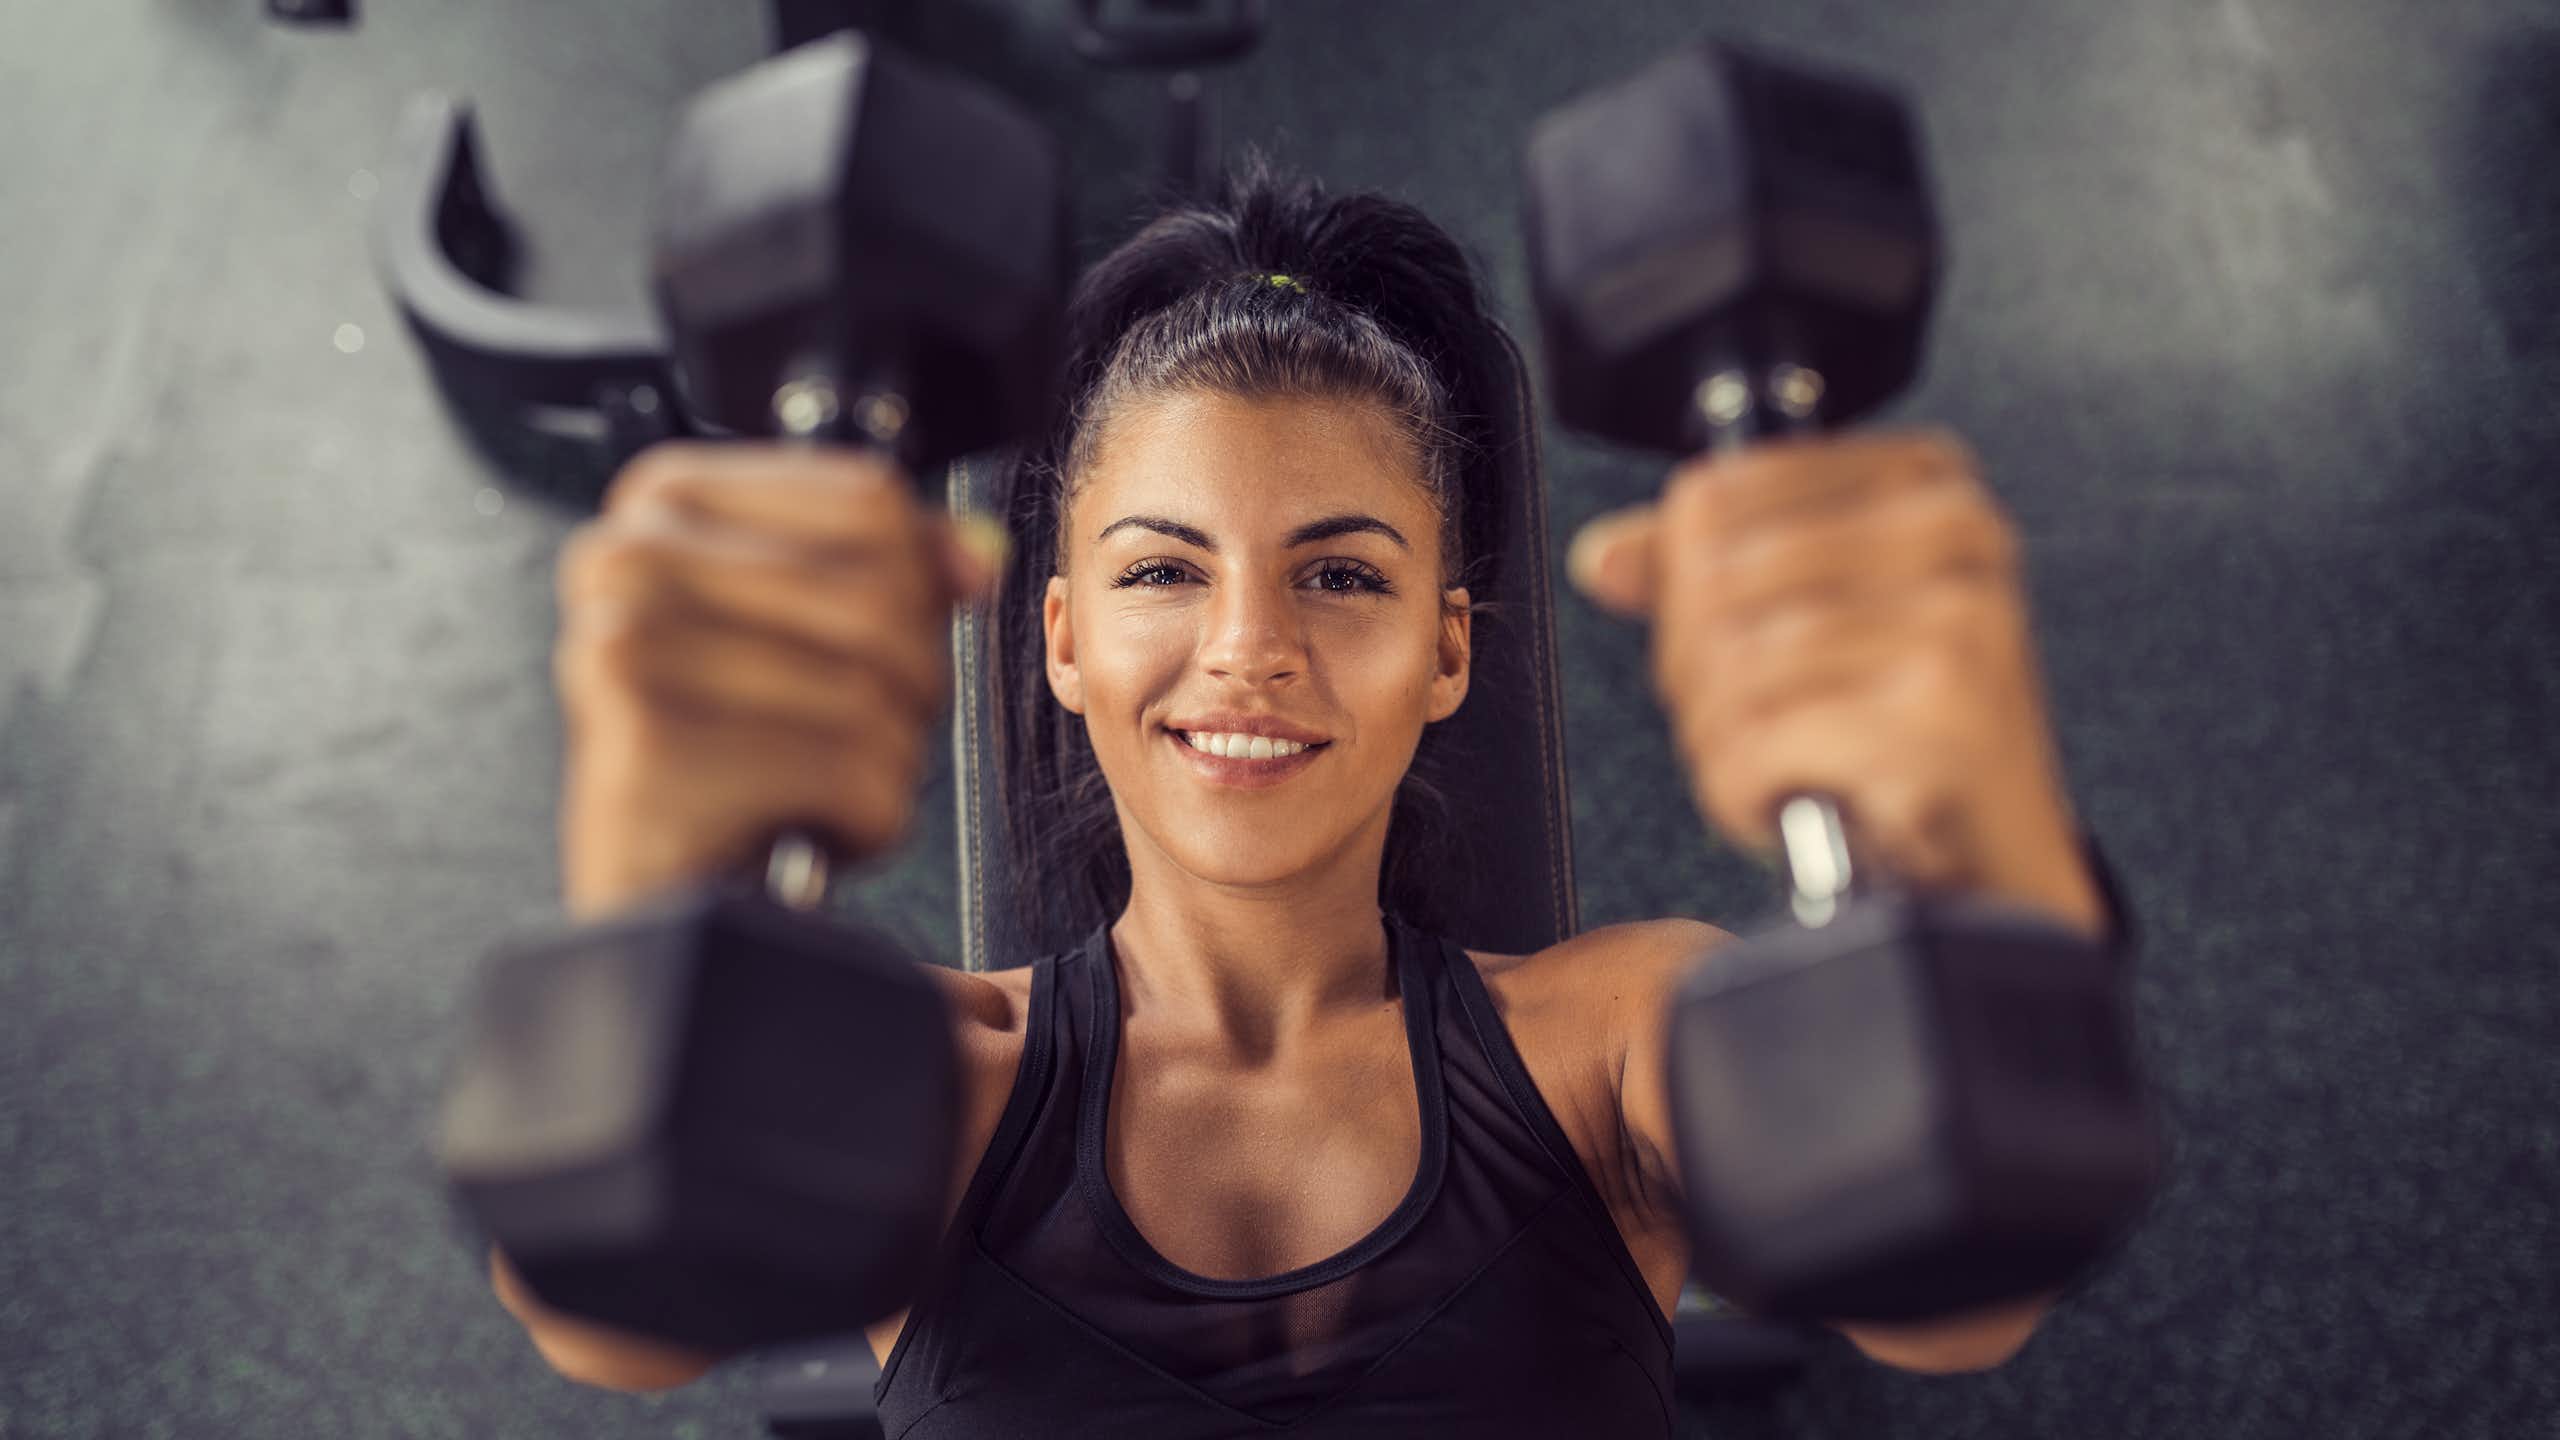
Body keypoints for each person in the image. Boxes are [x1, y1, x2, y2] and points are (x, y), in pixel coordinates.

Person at [495, 154, 2122, 1431]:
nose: (1248, 649)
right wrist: (646, 894)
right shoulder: (936, 1077)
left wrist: (1982, 841)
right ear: (1060, 639)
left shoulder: (1616, 1040)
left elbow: (1963, 1308)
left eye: (1341, 575)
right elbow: (605, 1327)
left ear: (1449, 651)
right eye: (1161, 574)